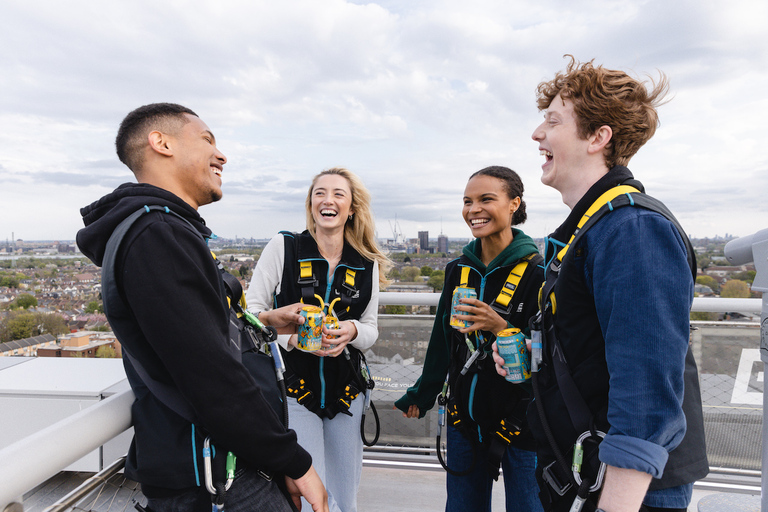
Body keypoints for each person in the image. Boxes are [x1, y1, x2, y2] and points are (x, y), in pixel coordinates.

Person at [76, 103, 328, 512]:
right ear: (162, 143)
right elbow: (210, 371)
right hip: (220, 479)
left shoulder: (163, 230)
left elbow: (193, 333)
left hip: (226, 464)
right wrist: (294, 461)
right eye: (208, 139)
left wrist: (261, 322)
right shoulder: (156, 235)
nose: (221, 154)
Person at [494, 57, 708, 512]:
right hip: (586, 474)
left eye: (552, 121)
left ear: (598, 137)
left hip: (625, 491)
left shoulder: (633, 230)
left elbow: (646, 389)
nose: (537, 134)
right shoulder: (593, 229)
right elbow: (596, 350)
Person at [395, 166, 544, 512]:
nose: (473, 209)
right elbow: (443, 341)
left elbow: (546, 354)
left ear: (513, 204)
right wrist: (424, 392)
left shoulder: (538, 273)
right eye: (467, 201)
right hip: (465, 417)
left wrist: (499, 326)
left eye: (486, 199)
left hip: (522, 423)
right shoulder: (458, 270)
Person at [245, 167, 390, 512]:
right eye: (319, 193)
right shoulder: (285, 247)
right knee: (310, 497)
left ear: (352, 208)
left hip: (346, 392)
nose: (328, 200)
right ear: (311, 204)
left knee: (344, 496)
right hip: (293, 390)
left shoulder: (365, 263)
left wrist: (351, 331)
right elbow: (251, 314)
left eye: (338, 194)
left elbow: (370, 329)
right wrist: (294, 339)